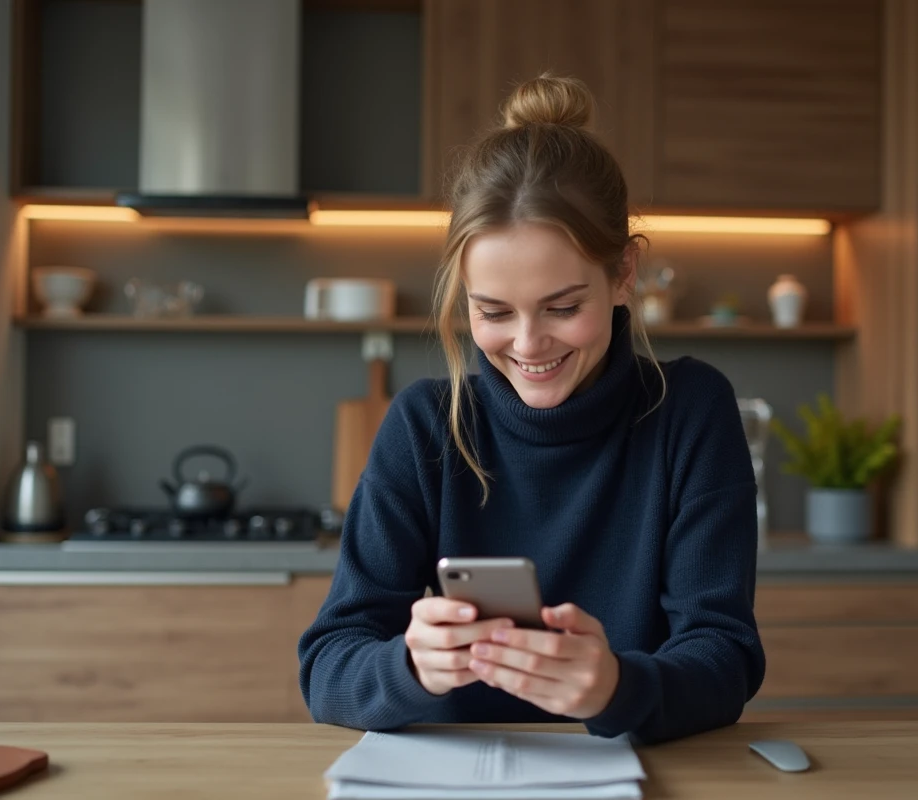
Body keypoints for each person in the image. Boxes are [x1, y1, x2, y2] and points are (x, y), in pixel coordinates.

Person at [298, 74, 764, 745]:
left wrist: (616, 688)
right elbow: (327, 667)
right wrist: (407, 665)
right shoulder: (424, 425)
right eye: (493, 312)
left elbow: (726, 657)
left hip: (634, 775)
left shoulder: (690, 411)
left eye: (562, 307)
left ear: (624, 273)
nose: (526, 345)